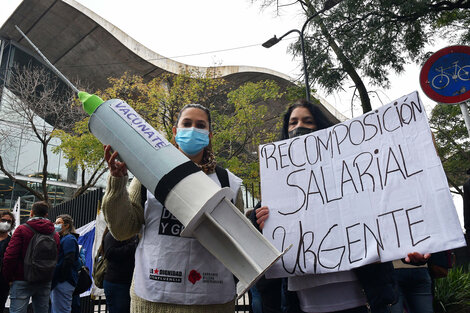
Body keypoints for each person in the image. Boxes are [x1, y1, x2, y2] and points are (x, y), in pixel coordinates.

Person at [253, 99, 430, 313]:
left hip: (361, 300)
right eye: (293, 122)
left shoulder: (353, 176)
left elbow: (381, 219)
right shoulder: (277, 189)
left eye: (308, 121)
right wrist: (260, 222)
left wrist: (408, 249)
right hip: (303, 304)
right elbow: (262, 250)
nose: (299, 127)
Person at [101, 103, 244, 313]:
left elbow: (240, 241)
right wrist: (117, 181)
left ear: (209, 135)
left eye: (200, 125)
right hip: (152, 300)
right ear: (175, 132)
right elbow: (122, 230)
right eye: (187, 124)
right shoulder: (147, 174)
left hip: (213, 301)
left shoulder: (228, 182)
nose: (193, 129)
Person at [2, 201, 60, 313]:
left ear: (31, 213)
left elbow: (10, 256)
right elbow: (56, 256)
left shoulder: (22, 229)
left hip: (22, 278)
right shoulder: (55, 234)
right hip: (44, 279)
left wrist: (8, 277)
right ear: (46, 215)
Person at [103, 227, 138, 313]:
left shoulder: (130, 235)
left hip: (125, 282)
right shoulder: (113, 234)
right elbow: (110, 253)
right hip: (118, 283)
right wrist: (133, 245)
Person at [51, 214, 80, 313]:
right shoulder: (62, 239)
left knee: (61, 309)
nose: (56, 225)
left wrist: (61, 277)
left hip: (64, 281)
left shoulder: (69, 239)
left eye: (59, 223)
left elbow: (69, 260)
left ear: (67, 225)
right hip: (61, 281)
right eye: (55, 223)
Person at [0, 211, 15, 312]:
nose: (6, 223)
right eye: (3, 220)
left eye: (9, 221)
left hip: (2, 281)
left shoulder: (12, 242)